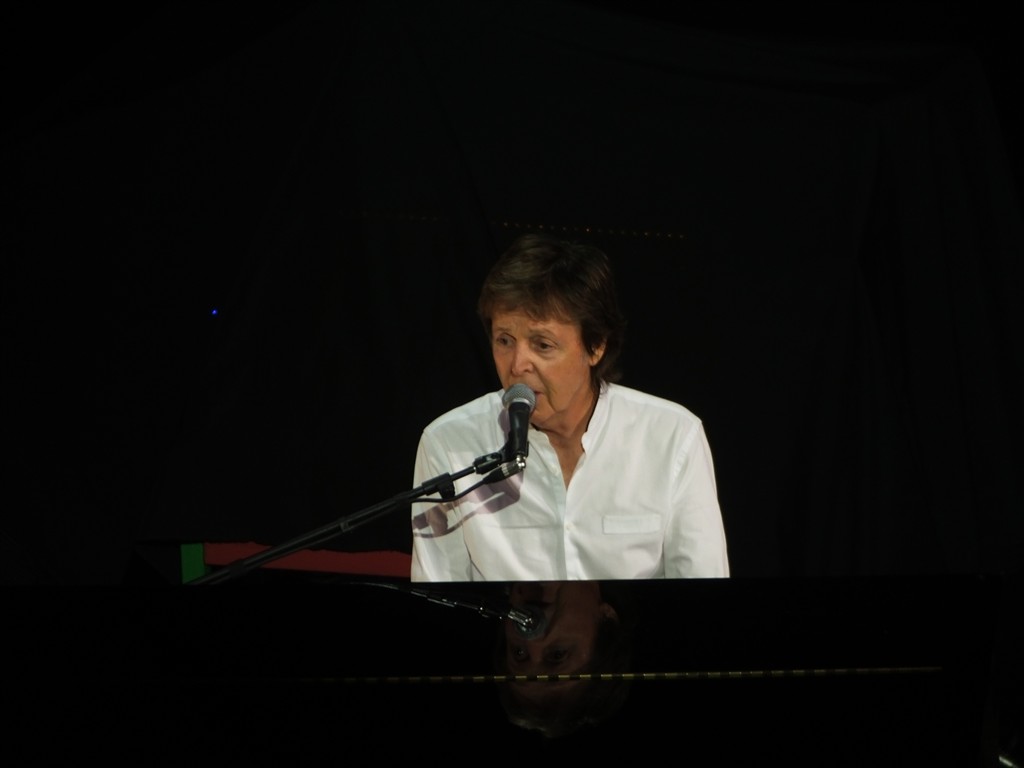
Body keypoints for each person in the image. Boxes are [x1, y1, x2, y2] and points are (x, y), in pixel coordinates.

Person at [410, 232, 729, 581]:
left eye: (542, 345)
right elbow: (437, 595)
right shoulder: (449, 444)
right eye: (504, 340)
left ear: (596, 347)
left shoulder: (672, 437)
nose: (517, 364)